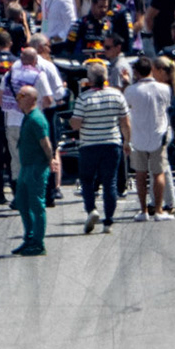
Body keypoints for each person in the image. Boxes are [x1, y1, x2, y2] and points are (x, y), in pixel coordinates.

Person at [69, 62, 129, 233]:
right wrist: (127, 142)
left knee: (87, 180)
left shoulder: (84, 98)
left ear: (90, 80)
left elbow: (76, 124)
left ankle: (91, 209)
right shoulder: (117, 96)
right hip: (112, 143)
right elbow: (125, 122)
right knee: (110, 182)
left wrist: (72, 121)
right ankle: (108, 221)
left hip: (89, 144)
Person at [11, 83, 56, 255]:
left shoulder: (37, 119)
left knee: (37, 205)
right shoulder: (27, 116)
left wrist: (50, 160)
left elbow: (46, 143)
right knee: (22, 202)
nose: (18, 99)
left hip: (36, 167)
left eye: (21, 96)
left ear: (31, 99)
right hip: (26, 166)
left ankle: (38, 243)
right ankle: (28, 238)